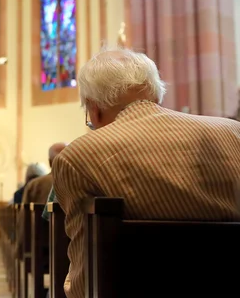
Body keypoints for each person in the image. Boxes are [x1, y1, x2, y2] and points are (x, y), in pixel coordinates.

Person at [53, 47, 240, 298]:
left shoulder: (79, 156)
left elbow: (84, 279)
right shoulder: (233, 133)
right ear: (155, 93)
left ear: (94, 109)